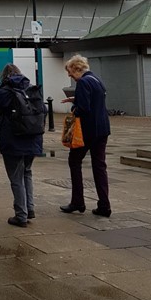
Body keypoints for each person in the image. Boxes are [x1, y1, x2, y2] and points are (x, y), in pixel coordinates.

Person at [0, 63, 43, 227]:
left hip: (13, 140)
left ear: (5, 77)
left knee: (16, 177)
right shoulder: (31, 89)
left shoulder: (5, 92)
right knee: (27, 173)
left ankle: (21, 215)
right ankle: (30, 208)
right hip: (33, 139)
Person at [60, 54, 111, 218]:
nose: (69, 75)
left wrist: (75, 107)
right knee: (99, 166)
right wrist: (77, 98)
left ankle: (77, 201)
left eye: (70, 72)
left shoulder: (82, 82)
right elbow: (95, 99)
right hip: (102, 129)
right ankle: (104, 205)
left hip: (87, 132)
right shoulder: (96, 79)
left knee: (74, 161)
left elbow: (84, 109)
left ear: (76, 68)